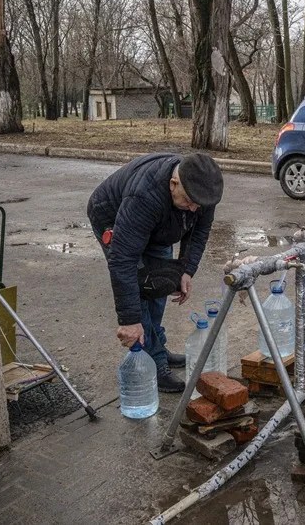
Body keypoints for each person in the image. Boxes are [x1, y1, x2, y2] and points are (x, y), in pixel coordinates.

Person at [88, 152, 223, 393]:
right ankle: (153, 361)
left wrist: (187, 270)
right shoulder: (145, 196)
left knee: (160, 283)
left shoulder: (202, 190)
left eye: (199, 205)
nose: (194, 209)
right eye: (189, 201)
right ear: (173, 184)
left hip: (159, 223)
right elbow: (123, 261)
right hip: (113, 215)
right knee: (141, 284)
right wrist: (129, 320)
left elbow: (199, 232)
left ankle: (156, 344)